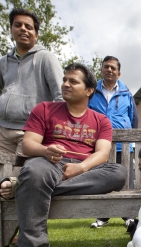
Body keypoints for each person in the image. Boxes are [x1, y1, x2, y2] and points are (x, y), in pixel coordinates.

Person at [0, 63, 126, 246]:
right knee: (35, 173)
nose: (66, 84)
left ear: (89, 91)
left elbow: (102, 154)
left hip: (85, 170)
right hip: (49, 163)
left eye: (73, 81)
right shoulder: (44, 109)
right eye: (65, 80)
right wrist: (45, 150)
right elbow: (28, 145)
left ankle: (25, 187)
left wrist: (80, 167)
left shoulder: (101, 120)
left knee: (118, 173)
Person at [0, 8, 63, 160]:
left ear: (36, 34)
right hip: (2, 129)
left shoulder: (46, 58)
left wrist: (59, 130)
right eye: (18, 25)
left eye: (28, 27)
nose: (23, 29)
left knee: (19, 179)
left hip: (31, 132)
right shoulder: (3, 62)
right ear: (11, 29)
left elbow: (61, 95)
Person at [88, 55, 138, 229]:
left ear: (119, 73)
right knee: (103, 180)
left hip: (122, 146)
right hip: (99, 145)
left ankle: (128, 216)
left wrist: (129, 138)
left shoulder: (126, 94)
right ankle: (103, 216)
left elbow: (134, 119)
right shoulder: (91, 91)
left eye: (113, 68)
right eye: (106, 67)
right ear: (101, 69)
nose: (109, 70)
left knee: (126, 180)